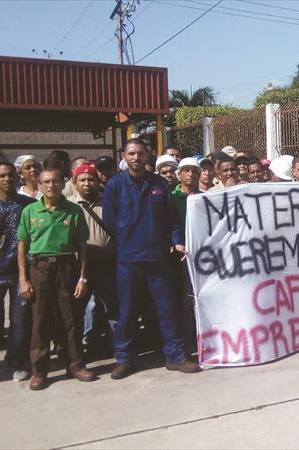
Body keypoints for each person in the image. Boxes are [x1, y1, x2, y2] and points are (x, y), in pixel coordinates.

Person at [102, 138, 200, 379]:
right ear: (124, 157)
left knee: (167, 310)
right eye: (131, 153)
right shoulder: (115, 186)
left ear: (147, 156)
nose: (136, 157)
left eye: (140, 153)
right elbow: (109, 222)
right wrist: (129, 240)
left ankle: (175, 357)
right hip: (129, 261)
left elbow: (172, 218)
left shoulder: (159, 184)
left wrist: (176, 240)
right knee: (127, 312)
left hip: (158, 259)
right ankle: (124, 359)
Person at [17, 167, 96, 390]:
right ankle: (40, 370)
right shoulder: (30, 211)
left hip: (66, 268)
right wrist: (24, 279)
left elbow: (82, 247)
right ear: (39, 185)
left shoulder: (74, 210)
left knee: (70, 319)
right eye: (46, 182)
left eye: (55, 181)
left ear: (63, 184)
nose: (51, 185)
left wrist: (82, 278)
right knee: (40, 321)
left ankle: (75, 365)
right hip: (39, 268)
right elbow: (22, 246)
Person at [0, 162, 36, 381]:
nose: (7, 179)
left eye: (11, 175)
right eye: (2, 176)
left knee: (20, 322)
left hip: (20, 275)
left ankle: (15, 362)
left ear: (18, 178)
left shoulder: (29, 205)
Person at [68, 163, 117, 358]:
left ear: (98, 181)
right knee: (79, 310)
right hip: (80, 268)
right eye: (82, 180)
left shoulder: (109, 202)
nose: (87, 183)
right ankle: (79, 351)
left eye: (91, 179)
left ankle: (117, 348)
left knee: (112, 308)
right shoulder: (68, 205)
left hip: (107, 265)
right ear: (74, 182)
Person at [171, 157, 202, 353]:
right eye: (186, 170)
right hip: (179, 257)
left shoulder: (204, 198)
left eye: (194, 170)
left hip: (201, 256)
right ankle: (186, 341)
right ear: (179, 174)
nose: (191, 174)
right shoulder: (170, 198)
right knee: (182, 300)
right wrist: (175, 244)